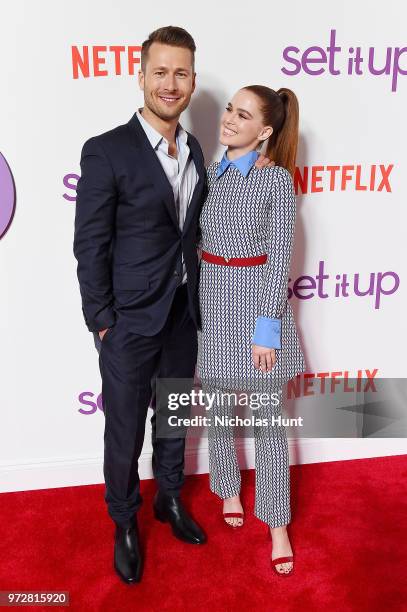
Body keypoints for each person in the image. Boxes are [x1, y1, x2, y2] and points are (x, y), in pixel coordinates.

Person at [73, 26, 272, 584]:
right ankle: (124, 522)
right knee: (124, 431)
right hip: (129, 324)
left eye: (181, 73)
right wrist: (103, 321)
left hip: (186, 318)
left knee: (175, 421)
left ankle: (168, 499)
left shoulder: (197, 153)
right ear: (141, 77)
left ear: (191, 80)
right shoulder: (106, 150)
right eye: (160, 72)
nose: (171, 83)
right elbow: (90, 245)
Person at [197, 85, 306, 576]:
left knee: (268, 424)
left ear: (264, 131)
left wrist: (267, 330)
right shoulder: (211, 172)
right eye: (229, 109)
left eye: (243, 115)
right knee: (218, 410)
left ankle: (277, 521)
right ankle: (226, 488)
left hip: (254, 309)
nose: (229, 120)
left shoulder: (276, 181)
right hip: (212, 304)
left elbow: (278, 257)